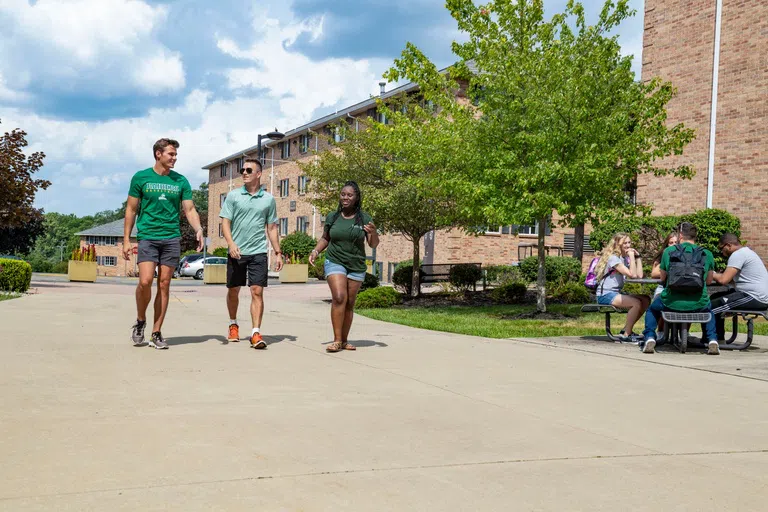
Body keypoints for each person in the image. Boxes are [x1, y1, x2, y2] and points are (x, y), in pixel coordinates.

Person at [123, 138, 203, 349]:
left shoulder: (181, 181)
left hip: (170, 237)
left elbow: (190, 209)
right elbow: (131, 209)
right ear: (158, 154)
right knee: (145, 281)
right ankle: (141, 321)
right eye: (171, 154)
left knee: (165, 284)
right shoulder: (141, 178)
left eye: (176, 154)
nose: (175, 158)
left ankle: (156, 332)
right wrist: (126, 240)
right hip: (148, 236)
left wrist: (199, 229)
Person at [308, 181, 379, 353]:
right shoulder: (333, 217)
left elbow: (373, 244)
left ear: (356, 198)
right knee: (339, 297)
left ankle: (345, 340)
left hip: (356, 264)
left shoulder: (364, 218)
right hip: (335, 260)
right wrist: (316, 251)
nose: (345, 197)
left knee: (349, 303)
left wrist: (374, 232)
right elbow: (326, 238)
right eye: (343, 194)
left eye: (349, 195)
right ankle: (337, 340)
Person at [220, 158, 283, 349]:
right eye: (242, 170)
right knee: (233, 290)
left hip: (258, 252)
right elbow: (225, 222)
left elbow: (271, 228)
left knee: (257, 291)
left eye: (249, 170)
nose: (244, 173)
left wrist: (278, 252)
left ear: (258, 174)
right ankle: (233, 324)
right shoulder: (233, 196)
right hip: (237, 252)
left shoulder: (268, 199)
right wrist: (230, 244)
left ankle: (256, 332)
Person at [640, 222, 719, 355]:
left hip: (671, 301)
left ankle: (649, 337)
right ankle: (712, 339)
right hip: (698, 302)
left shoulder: (669, 251)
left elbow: (663, 277)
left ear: (680, 235)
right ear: (695, 236)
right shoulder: (707, 253)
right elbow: (709, 280)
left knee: (652, 309)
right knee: (709, 309)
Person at [710, 233, 768, 340]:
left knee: (713, 306)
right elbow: (731, 279)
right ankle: (717, 338)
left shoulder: (738, 254)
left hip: (755, 297)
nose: (722, 252)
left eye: (721, 248)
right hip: (751, 294)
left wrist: (710, 273)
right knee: (713, 298)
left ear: (728, 245)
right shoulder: (746, 252)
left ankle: (713, 339)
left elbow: (724, 280)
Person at [594, 233, 649, 342]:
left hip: (615, 293)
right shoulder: (614, 258)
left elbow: (639, 276)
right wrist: (632, 257)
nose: (628, 245)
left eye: (629, 242)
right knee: (636, 303)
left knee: (646, 299)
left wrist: (638, 258)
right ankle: (626, 335)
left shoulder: (623, 258)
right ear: (617, 244)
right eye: (624, 243)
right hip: (605, 294)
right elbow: (632, 275)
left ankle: (625, 330)